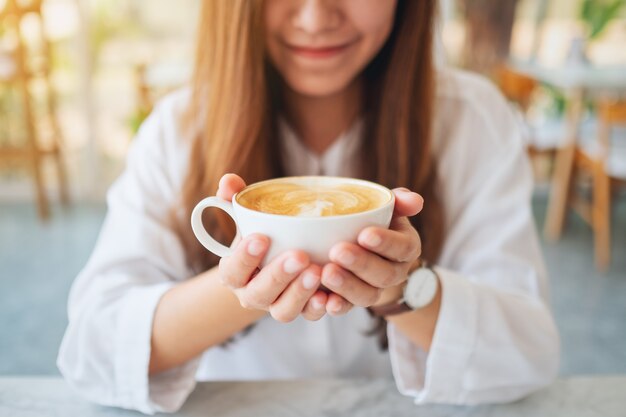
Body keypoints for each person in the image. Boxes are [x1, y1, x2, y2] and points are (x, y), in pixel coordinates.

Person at [58, 0, 560, 414]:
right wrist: (244, 282)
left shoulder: (473, 120)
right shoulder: (178, 129)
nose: (316, 17)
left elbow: (527, 356)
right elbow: (91, 352)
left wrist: (400, 290)